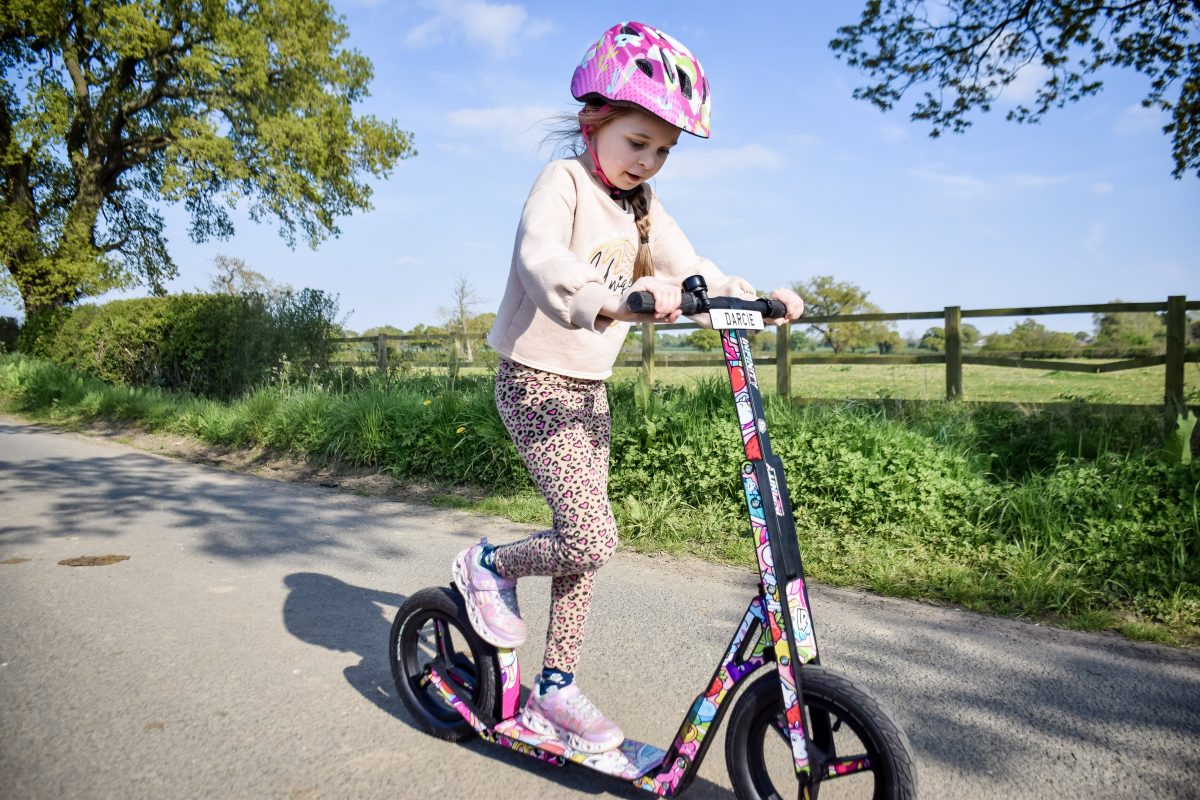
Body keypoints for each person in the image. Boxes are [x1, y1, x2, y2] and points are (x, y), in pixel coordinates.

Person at [452, 20, 805, 754]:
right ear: (596, 122)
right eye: (637, 142)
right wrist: (611, 299)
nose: (648, 161)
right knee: (589, 534)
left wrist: (753, 298)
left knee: (584, 550)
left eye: (663, 152)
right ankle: (487, 566)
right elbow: (539, 257)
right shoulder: (566, 182)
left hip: (590, 391)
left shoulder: (644, 209)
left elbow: (691, 268)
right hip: (535, 383)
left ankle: (555, 689)